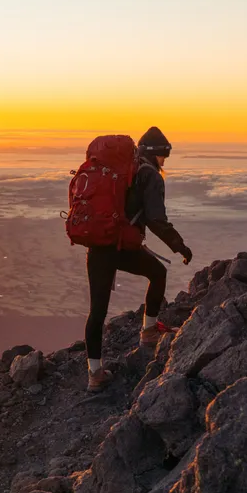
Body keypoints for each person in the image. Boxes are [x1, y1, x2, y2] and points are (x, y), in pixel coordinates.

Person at [85, 125, 192, 391]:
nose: (164, 162)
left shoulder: (121, 172)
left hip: (98, 247)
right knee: (158, 273)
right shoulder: (149, 176)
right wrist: (179, 246)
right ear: (156, 154)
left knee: (97, 312)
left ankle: (94, 374)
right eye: (163, 156)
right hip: (122, 247)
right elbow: (156, 220)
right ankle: (149, 332)